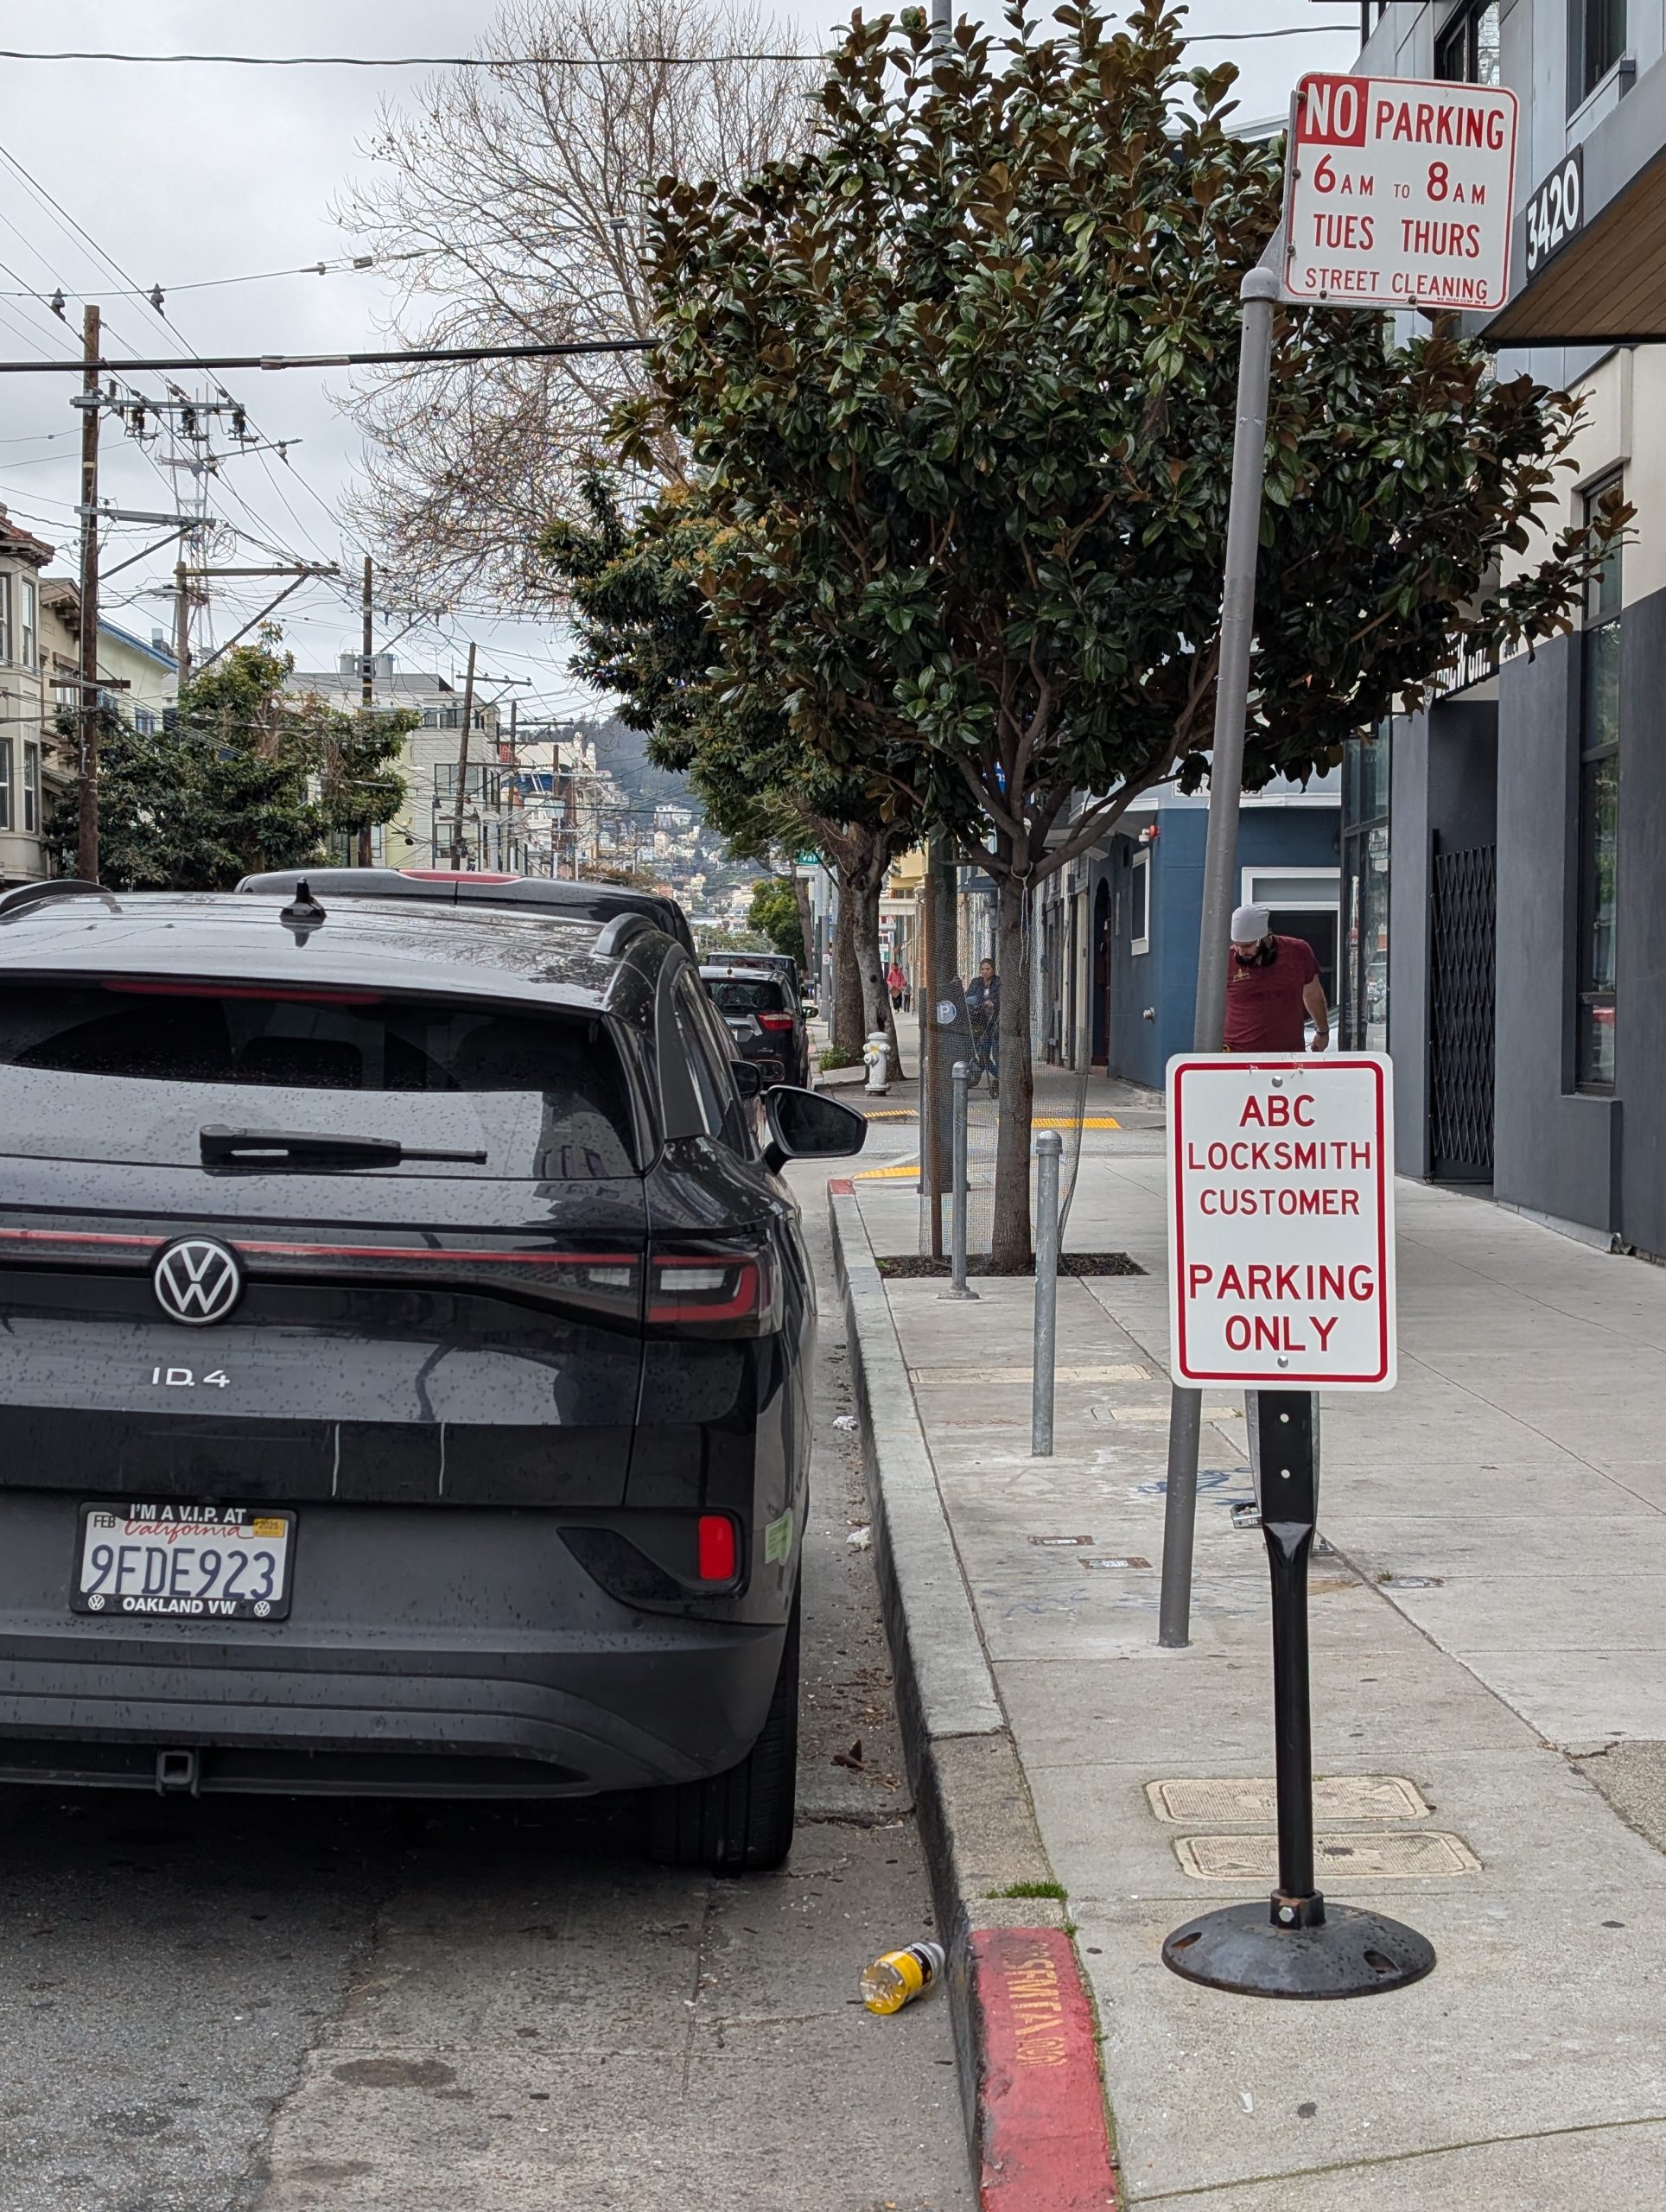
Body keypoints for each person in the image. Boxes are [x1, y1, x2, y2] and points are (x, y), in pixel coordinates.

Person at [1224, 903, 1330, 1053]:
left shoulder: (1298, 952)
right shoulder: (1225, 961)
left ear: (1266, 938)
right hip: (1236, 1055)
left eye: (1247, 946)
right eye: (1237, 945)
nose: (1241, 952)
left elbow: (1313, 996)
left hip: (1286, 1056)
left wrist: (1323, 1032)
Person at [965, 956, 1000, 1092]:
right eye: (983, 969)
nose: (985, 972)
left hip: (994, 1022)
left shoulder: (998, 983)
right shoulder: (976, 982)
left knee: (996, 1053)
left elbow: (1000, 998)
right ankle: (997, 1075)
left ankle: (1000, 1077)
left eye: (988, 969)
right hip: (979, 1021)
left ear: (993, 970)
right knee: (982, 1053)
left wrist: (993, 1003)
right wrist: (979, 1004)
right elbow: (968, 996)